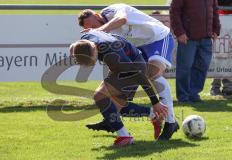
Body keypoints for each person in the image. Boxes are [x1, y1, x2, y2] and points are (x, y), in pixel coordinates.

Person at [77, 3, 177, 140]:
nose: (94, 30)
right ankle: (111, 121)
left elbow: (122, 19)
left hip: (157, 38)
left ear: (96, 15)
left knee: (153, 74)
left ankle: (171, 122)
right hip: (137, 48)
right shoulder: (104, 35)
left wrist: (99, 30)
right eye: (91, 29)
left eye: (93, 26)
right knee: (115, 97)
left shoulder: (111, 10)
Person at [70, 30, 171, 146]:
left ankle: (124, 136)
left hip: (135, 67)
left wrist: (155, 101)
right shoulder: (85, 38)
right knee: (114, 107)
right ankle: (153, 114)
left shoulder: (113, 56)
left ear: (94, 49)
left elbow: (140, 76)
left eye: (93, 60)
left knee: (100, 96)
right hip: (121, 65)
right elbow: (74, 46)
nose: (93, 63)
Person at [170, 0, 221, 103]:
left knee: (202, 67)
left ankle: (194, 95)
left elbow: (215, 10)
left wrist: (216, 29)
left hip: (206, 38)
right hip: (188, 38)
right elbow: (174, 11)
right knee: (185, 68)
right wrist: (179, 32)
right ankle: (183, 97)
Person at [210, 0, 232, 96]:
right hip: (217, 21)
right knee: (218, 55)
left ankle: (227, 86)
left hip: (227, 21)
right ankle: (215, 86)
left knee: (228, 55)